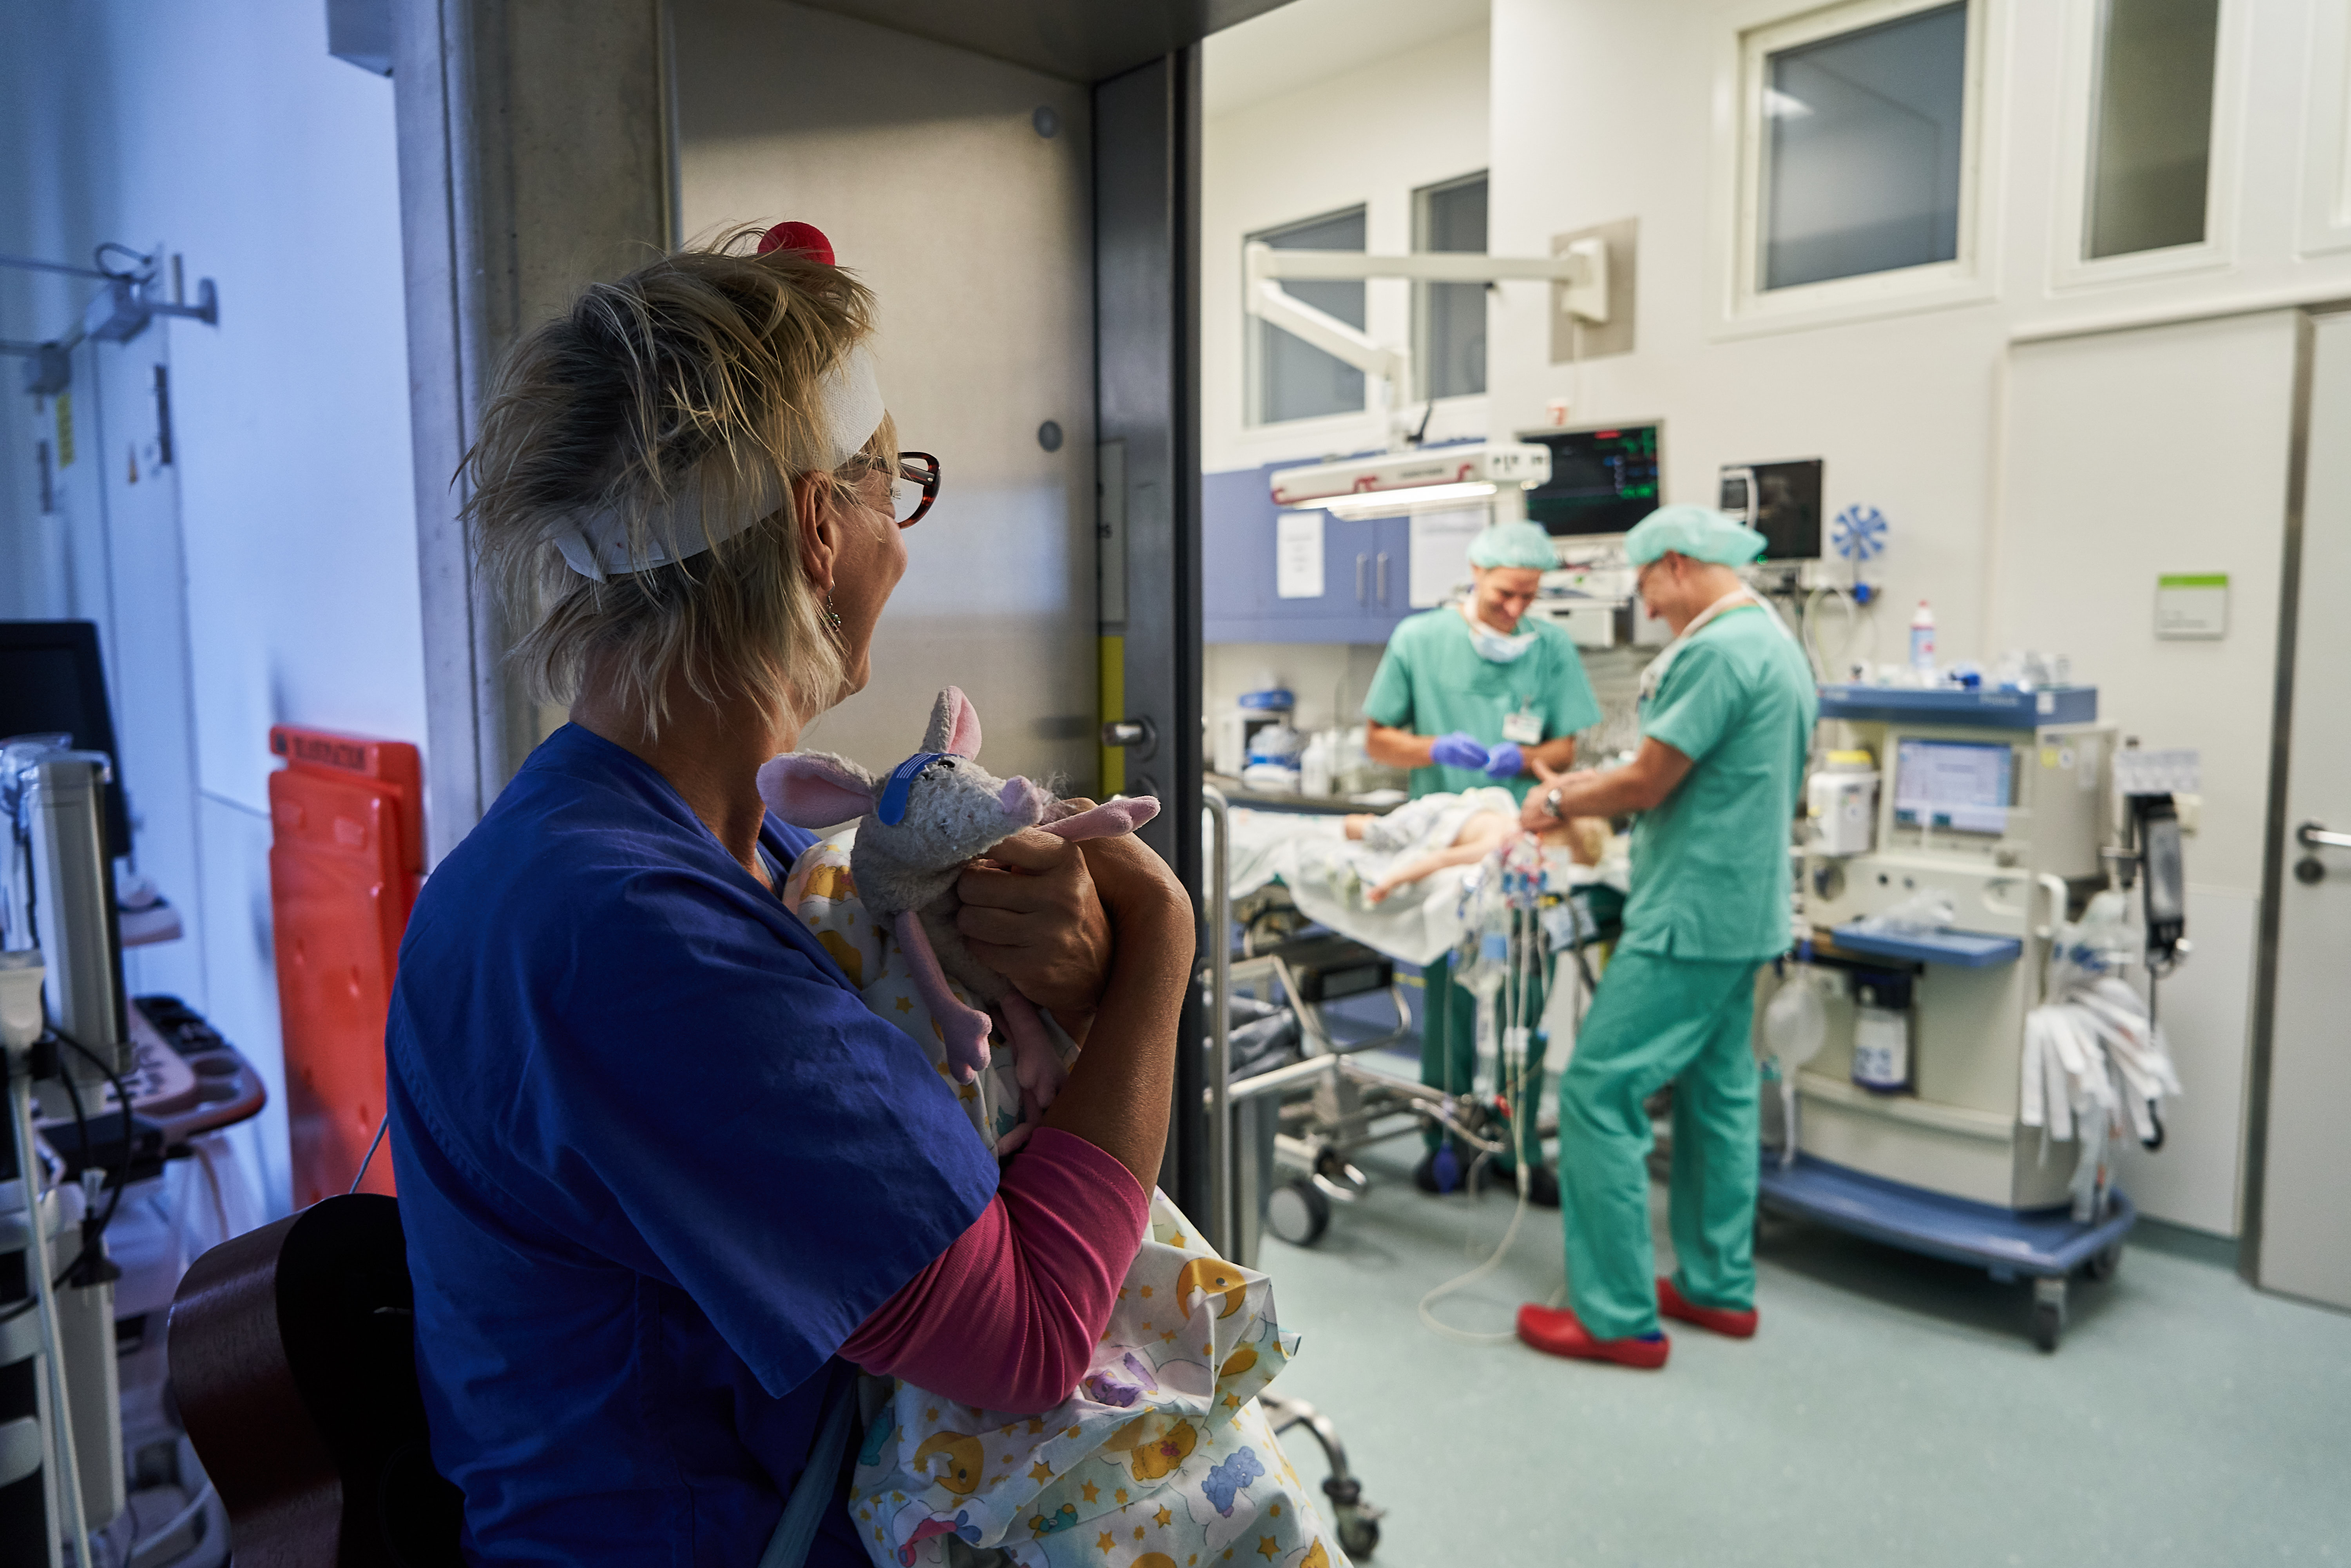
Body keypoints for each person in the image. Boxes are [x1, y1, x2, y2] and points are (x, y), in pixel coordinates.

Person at [384, 226, 1195, 1564]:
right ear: (822, 525)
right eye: (901, 493)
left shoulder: (655, 848)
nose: (905, 548)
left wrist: (1053, 975)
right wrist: (1161, 944)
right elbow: (1034, 1334)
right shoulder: (630, 933)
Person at [1510, 505, 1817, 1370]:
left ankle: (1615, 1319)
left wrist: (1560, 799)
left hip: (1691, 913)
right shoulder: (1775, 643)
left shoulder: (1719, 652)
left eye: (1645, 582)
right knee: (1718, 1093)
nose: (1645, 604)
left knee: (1599, 1091)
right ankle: (1719, 1288)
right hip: (1748, 910)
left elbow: (1650, 779)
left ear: (1678, 563)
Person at [1361, 520, 1599, 1205]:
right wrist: (1437, 749)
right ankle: (1446, 1136)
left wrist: (1522, 759)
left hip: (1528, 851)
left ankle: (1519, 1143)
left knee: (1527, 998)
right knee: (1451, 1000)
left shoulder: (1551, 649)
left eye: (1530, 596)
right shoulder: (1420, 639)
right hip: (1449, 853)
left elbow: (1565, 750)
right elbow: (1380, 740)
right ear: (1475, 572)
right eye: (1505, 594)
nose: (1518, 609)